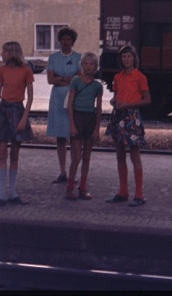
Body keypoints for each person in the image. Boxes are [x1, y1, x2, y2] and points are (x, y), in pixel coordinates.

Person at [0, 41, 34, 208]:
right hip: (3, 111)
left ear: (12, 52)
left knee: (14, 154)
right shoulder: (2, 71)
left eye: (4, 51)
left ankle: (13, 192)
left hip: (17, 111)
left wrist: (23, 119)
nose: (2, 54)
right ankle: (1, 194)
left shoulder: (26, 71)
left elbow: (30, 98)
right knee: (2, 153)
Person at [105, 45, 151, 207]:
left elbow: (147, 99)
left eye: (129, 56)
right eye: (123, 57)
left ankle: (139, 194)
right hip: (118, 116)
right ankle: (123, 192)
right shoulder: (117, 77)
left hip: (132, 116)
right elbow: (116, 95)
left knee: (134, 154)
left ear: (134, 58)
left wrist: (129, 105)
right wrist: (114, 101)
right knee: (119, 154)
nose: (126, 59)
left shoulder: (140, 77)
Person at [64, 52, 104, 200]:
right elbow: (70, 104)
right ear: (82, 65)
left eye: (92, 64)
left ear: (96, 67)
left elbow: (98, 108)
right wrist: (72, 125)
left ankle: (83, 187)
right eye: (86, 64)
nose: (89, 67)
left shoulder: (97, 86)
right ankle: (69, 187)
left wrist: (97, 129)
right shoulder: (76, 81)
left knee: (87, 156)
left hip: (90, 119)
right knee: (77, 157)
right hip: (78, 118)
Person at [46, 27, 82, 184]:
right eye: (63, 39)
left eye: (69, 39)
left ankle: (73, 171)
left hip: (74, 98)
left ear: (73, 41)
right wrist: (67, 79)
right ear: (59, 41)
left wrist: (61, 78)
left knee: (74, 135)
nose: (66, 42)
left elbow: (79, 78)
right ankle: (62, 172)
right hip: (57, 98)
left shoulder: (79, 57)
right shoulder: (53, 58)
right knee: (60, 137)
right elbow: (50, 79)